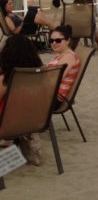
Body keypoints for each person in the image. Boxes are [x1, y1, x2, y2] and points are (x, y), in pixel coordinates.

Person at [0, 34, 45, 162]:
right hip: (33, 120)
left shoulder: (7, 78)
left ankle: (7, 141)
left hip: (7, 124)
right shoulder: (42, 74)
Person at [46, 25, 81, 109]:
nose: (54, 43)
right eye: (51, 40)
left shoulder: (68, 57)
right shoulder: (62, 55)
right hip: (49, 94)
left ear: (68, 40)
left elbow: (55, 79)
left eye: (58, 40)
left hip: (53, 99)